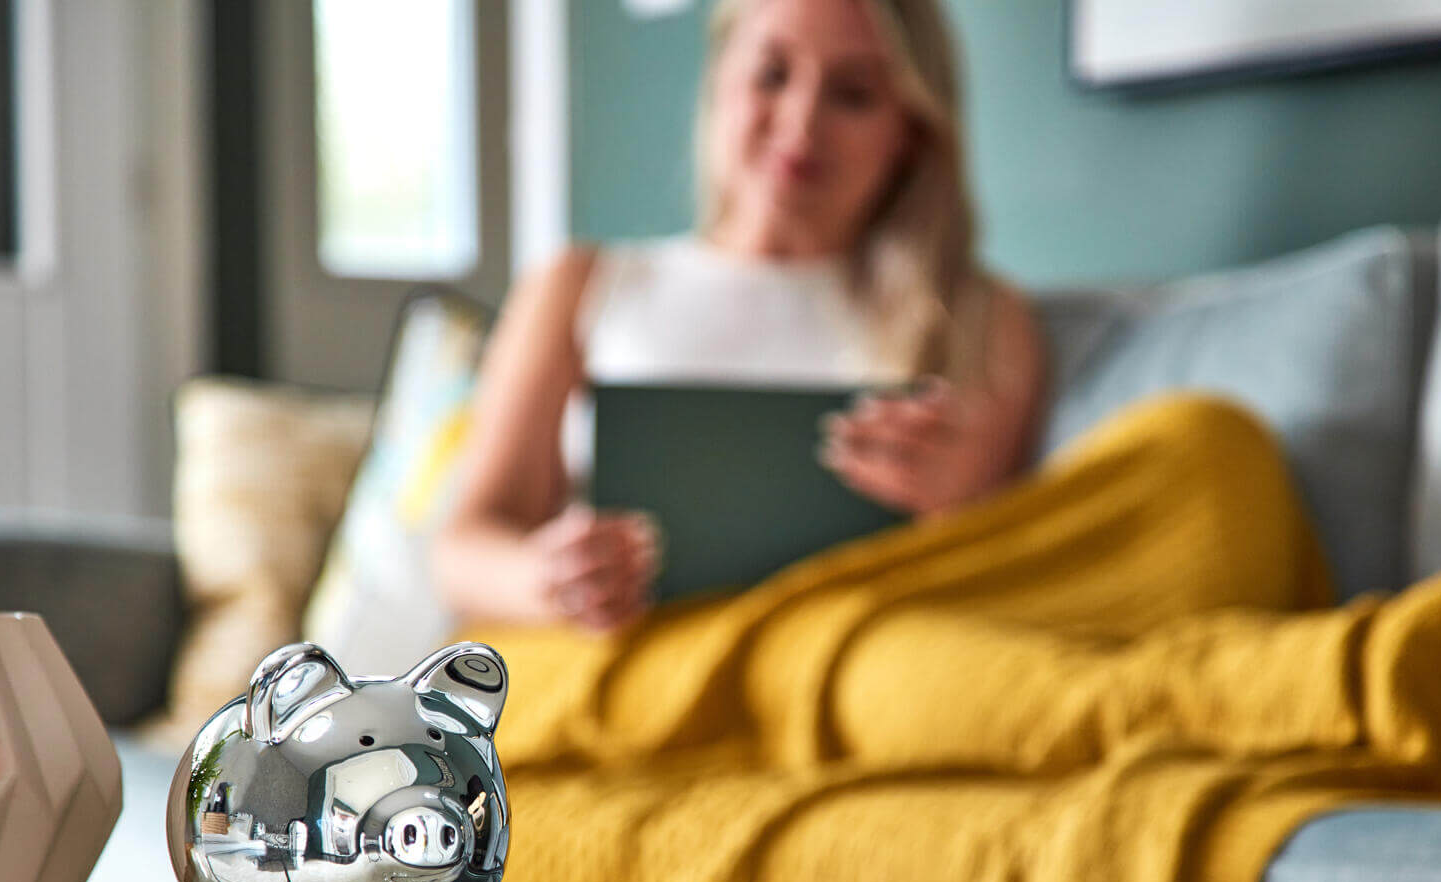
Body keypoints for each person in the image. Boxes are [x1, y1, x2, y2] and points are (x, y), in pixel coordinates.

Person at [432, 0, 1047, 632]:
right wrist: (549, 580)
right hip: (618, 665)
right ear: (720, 79)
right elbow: (464, 547)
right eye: (772, 75)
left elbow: (1003, 578)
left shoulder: (981, 320)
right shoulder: (578, 285)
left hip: (849, 668)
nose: (801, 125)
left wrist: (957, 505)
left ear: (910, 131)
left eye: (854, 94)